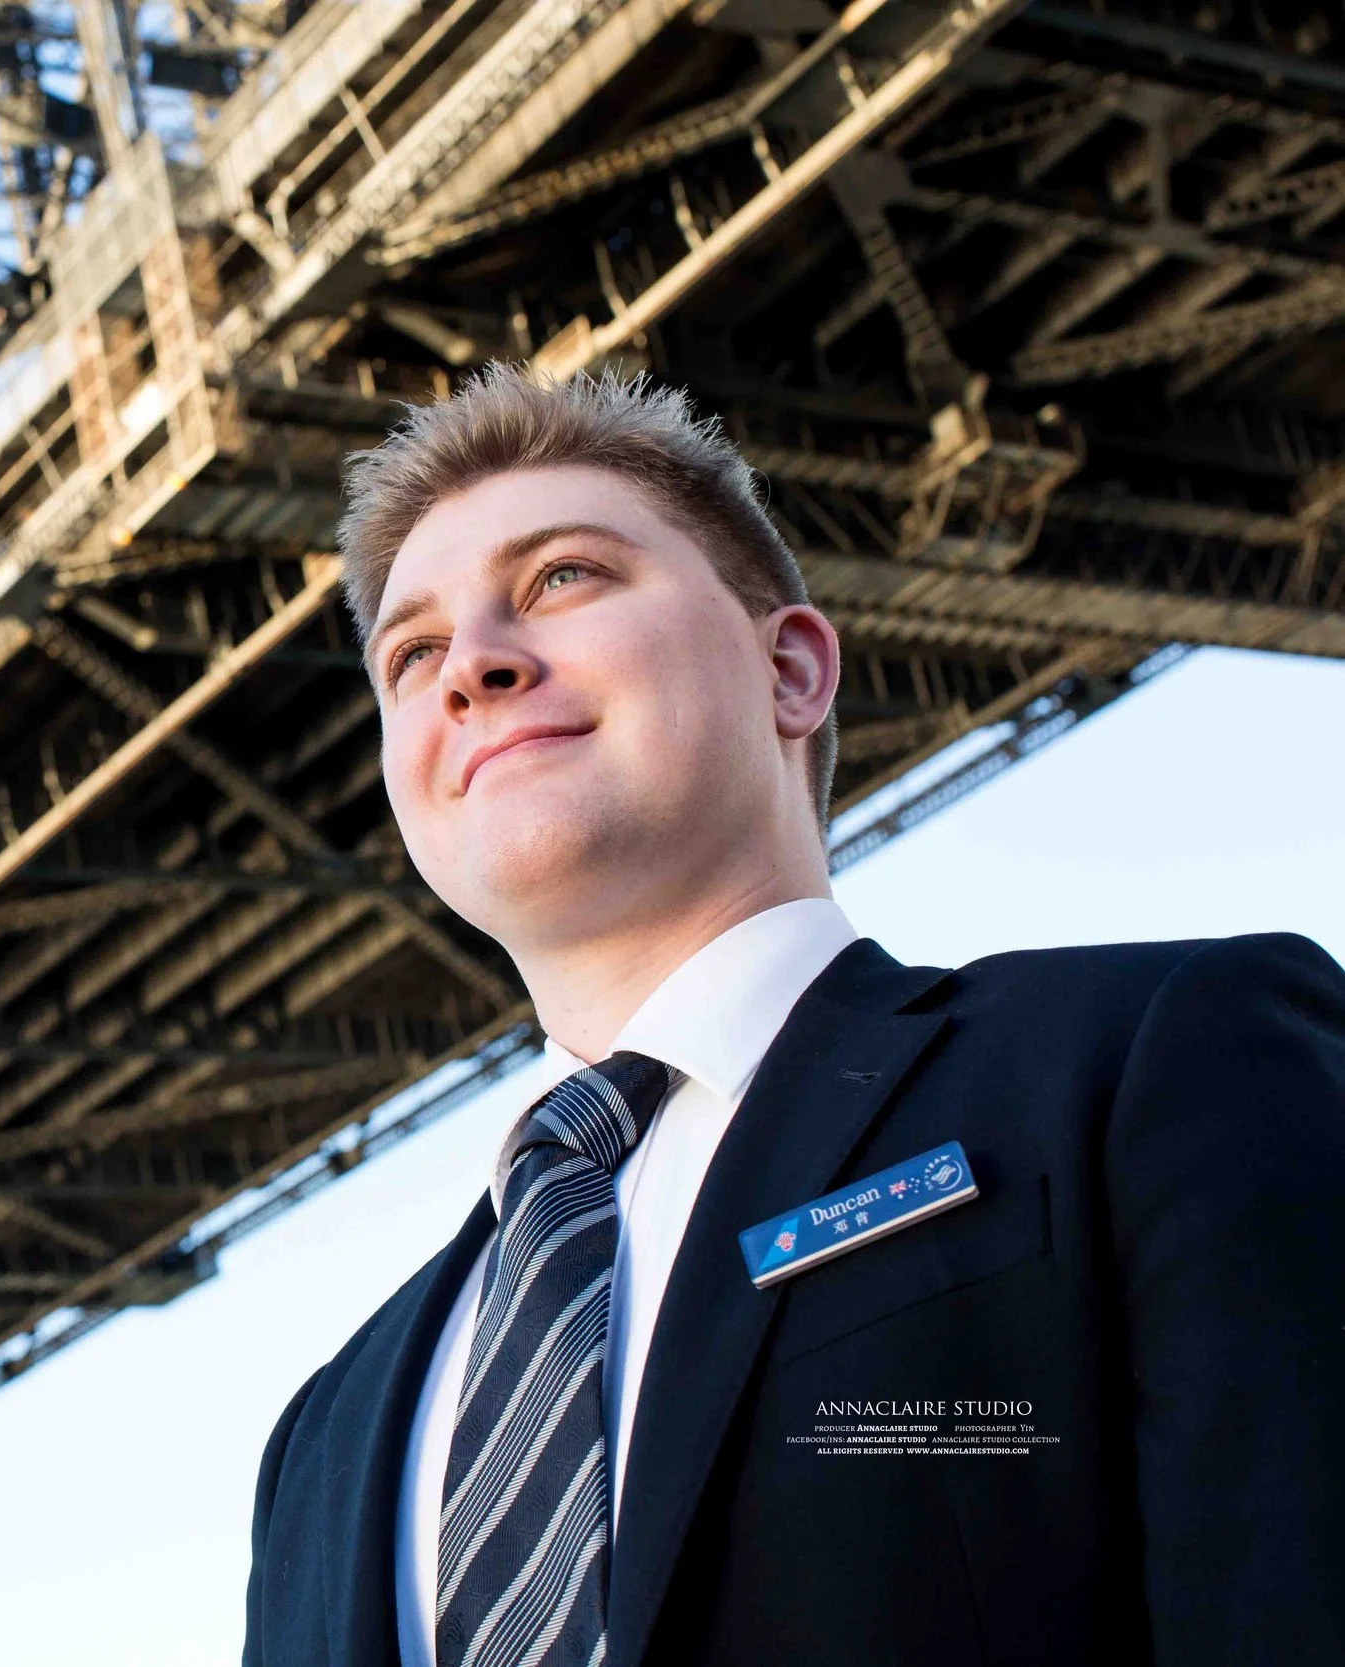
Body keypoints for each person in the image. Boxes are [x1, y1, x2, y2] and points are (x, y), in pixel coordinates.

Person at [239, 364, 1345, 1667]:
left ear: (793, 669)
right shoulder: (323, 1437)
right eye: (412, 654)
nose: (470, 668)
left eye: (562, 578)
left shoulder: (1160, 1059)